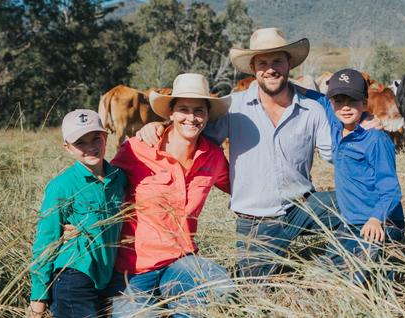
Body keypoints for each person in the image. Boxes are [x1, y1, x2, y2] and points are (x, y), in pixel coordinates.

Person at [139, 27, 345, 278]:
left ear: (289, 62)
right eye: (263, 62)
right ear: (253, 67)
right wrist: (161, 127)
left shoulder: (312, 109)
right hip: (256, 221)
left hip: (303, 207)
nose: (271, 68)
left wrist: (363, 132)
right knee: (256, 291)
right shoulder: (233, 108)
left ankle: (323, 271)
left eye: (277, 60)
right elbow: (193, 134)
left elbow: (337, 155)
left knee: (358, 203)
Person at [106, 73, 235, 316]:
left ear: (207, 116)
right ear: (171, 114)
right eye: (183, 109)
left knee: (220, 287)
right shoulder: (137, 149)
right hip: (133, 269)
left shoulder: (213, 157)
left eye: (199, 111)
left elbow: (240, 189)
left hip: (180, 261)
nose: (191, 117)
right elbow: (103, 187)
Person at [303, 69, 405, 283]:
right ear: (332, 103)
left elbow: (391, 189)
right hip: (351, 223)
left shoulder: (375, 139)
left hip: (379, 222)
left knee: (358, 277)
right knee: (321, 274)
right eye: (339, 100)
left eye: (353, 100)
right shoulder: (335, 123)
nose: (346, 106)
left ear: (365, 102)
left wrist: (377, 218)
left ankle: (392, 270)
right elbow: (315, 97)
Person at [28, 110, 127, 318]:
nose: (90, 147)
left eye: (96, 139)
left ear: (106, 137)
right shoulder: (61, 186)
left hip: (108, 276)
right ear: (68, 148)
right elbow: (45, 244)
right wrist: (38, 300)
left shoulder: (119, 178)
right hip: (74, 276)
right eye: (80, 143)